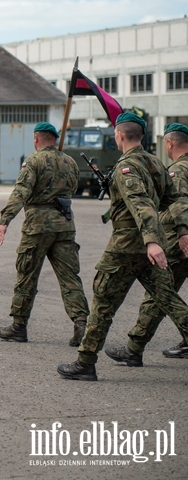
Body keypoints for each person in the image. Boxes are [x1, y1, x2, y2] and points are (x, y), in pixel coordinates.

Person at [58, 113, 188, 381]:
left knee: (103, 304)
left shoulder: (126, 167)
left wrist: (151, 240)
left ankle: (85, 363)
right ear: (142, 136)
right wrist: (178, 232)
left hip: (127, 247)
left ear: (119, 135)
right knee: (169, 301)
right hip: (153, 245)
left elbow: (140, 202)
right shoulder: (154, 162)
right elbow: (173, 200)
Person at [0, 123, 89, 345]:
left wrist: (5, 219)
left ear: (36, 139)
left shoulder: (33, 161)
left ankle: (19, 326)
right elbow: (73, 188)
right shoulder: (70, 161)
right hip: (65, 224)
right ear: (54, 140)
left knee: (27, 276)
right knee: (70, 278)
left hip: (38, 226)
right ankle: (81, 323)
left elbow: (21, 191)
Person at [108, 122, 188, 363]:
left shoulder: (179, 170)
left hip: (178, 241)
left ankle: (133, 349)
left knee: (160, 295)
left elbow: (178, 203)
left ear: (169, 143)